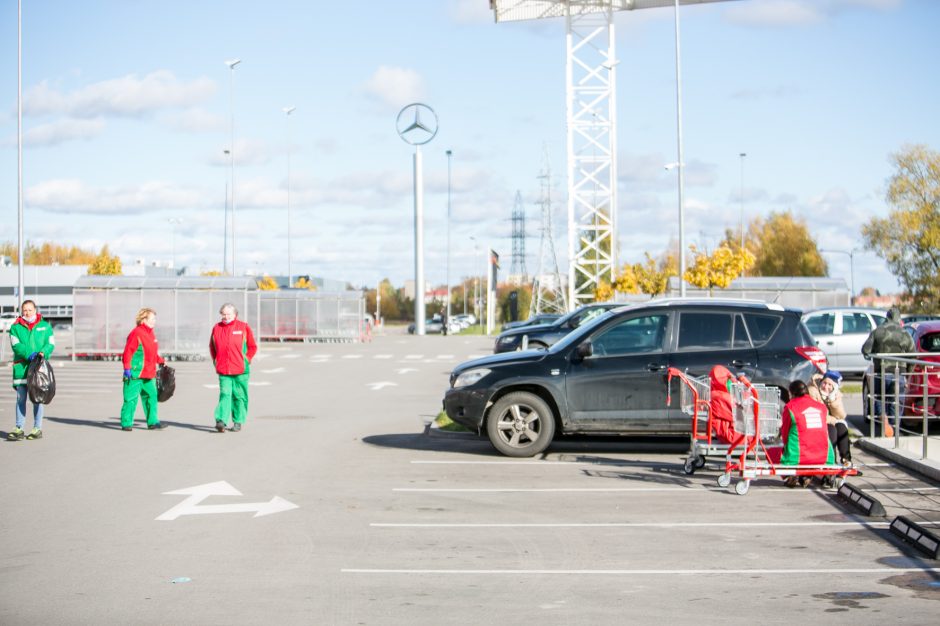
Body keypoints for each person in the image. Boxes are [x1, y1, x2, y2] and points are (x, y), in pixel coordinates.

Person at [7, 300, 55, 441]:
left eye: (30, 310)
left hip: (38, 369)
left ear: (35, 310)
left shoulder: (45, 326)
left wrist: (43, 353)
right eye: (25, 310)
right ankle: (19, 428)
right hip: (22, 369)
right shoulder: (15, 327)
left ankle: (37, 428)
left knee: (37, 399)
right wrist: (29, 353)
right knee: (21, 398)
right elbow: (16, 346)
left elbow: (50, 343)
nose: (27, 312)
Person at [861, 307, 915, 433]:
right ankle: (893, 429)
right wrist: (907, 374)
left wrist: (875, 355)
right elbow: (913, 355)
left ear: (887, 317)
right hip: (899, 373)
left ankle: (884, 421)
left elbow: (865, 350)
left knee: (879, 398)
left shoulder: (877, 332)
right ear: (899, 319)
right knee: (896, 402)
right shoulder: (905, 333)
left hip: (881, 372)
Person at [210, 303, 257, 433]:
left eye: (228, 314)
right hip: (224, 369)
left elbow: (253, 347)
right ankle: (221, 421)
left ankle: (238, 421)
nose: (225, 317)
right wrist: (216, 361)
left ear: (235, 315)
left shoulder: (243, 327)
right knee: (225, 394)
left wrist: (246, 360)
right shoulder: (216, 328)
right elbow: (212, 347)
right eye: (223, 314)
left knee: (239, 396)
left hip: (241, 369)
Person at [779, 380, 835, 487]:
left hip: (797, 456)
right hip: (825, 456)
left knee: (777, 452)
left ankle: (792, 476)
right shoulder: (821, 407)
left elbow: (785, 432)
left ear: (792, 393)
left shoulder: (790, 407)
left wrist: (785, 447)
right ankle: (813, 475)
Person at [120, 308, 167, 431]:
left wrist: (160, 360)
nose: (154, 321)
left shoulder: (151, 333)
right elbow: (127, 353)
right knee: (130, 399)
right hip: (135, 372)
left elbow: (151, 352)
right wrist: (127, 368)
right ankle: (126, 423)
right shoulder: (136, 333)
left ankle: (153, 422)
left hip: (148, 373)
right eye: (152, 319)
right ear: (143, 319)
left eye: (154, 319)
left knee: (151, 396)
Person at [809, 369, 852, 467]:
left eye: (830, 385)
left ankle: (846, 459)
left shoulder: (835, 394)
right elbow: (816, 414)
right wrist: (833, 420)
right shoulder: (813, 391)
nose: (826, 387)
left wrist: (833, 401)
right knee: (832, 429)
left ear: (834, 387)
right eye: (824, 383)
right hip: (816, 422)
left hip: (828, 420)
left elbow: (841, 416)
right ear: (821, 381)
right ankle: (831, 461)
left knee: (841, 426)